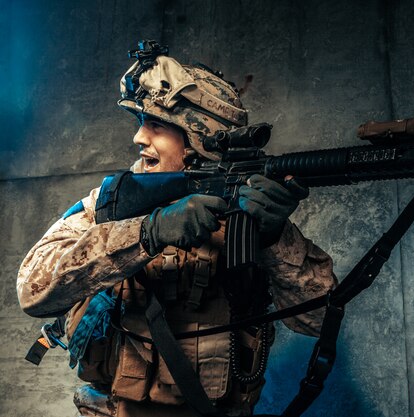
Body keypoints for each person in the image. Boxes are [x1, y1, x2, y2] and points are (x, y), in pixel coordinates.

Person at [16, 45, 337, 417]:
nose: (139, 138)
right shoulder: (112, 204)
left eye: (157, 126)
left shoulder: (251, 217)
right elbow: (32, 291)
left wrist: (274, 237)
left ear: (198, 142)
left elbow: (319, 322)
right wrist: (146, 233)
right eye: (141, 123)